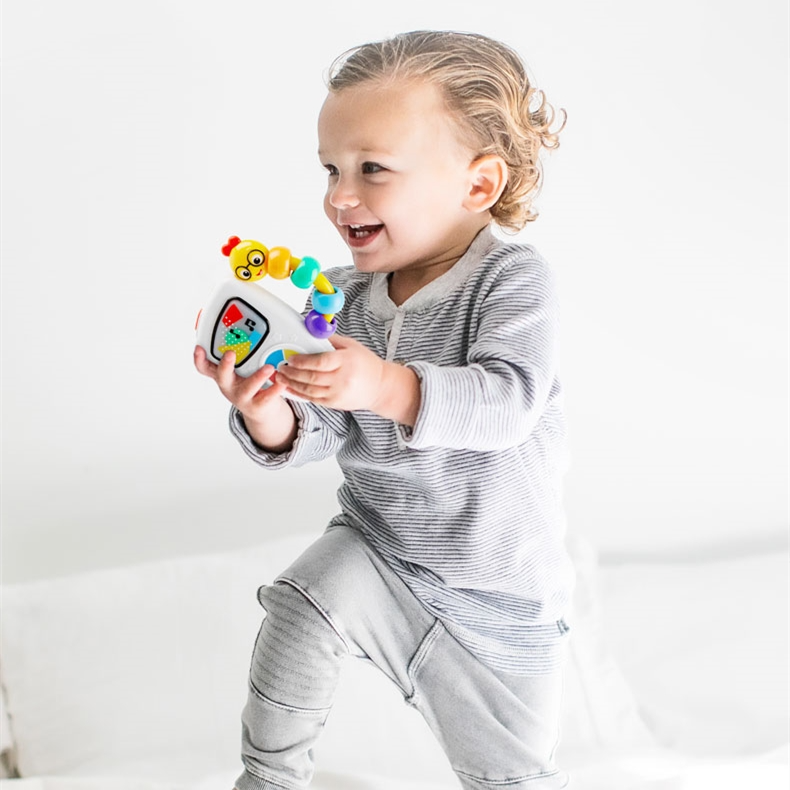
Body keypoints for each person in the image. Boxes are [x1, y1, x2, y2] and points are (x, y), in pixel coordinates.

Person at [195, 29, 574, 790]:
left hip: (496, 597)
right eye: (332, 169)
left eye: (373, 169)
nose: (340, 195)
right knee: (301, 601)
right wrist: (270, 412)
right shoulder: (337, 295)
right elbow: (326, 424)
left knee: (513, 778)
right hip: (379, 545)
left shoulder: (512, 281)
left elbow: (508, 404)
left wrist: (384, 386)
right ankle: (266, 779)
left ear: (477, 185)